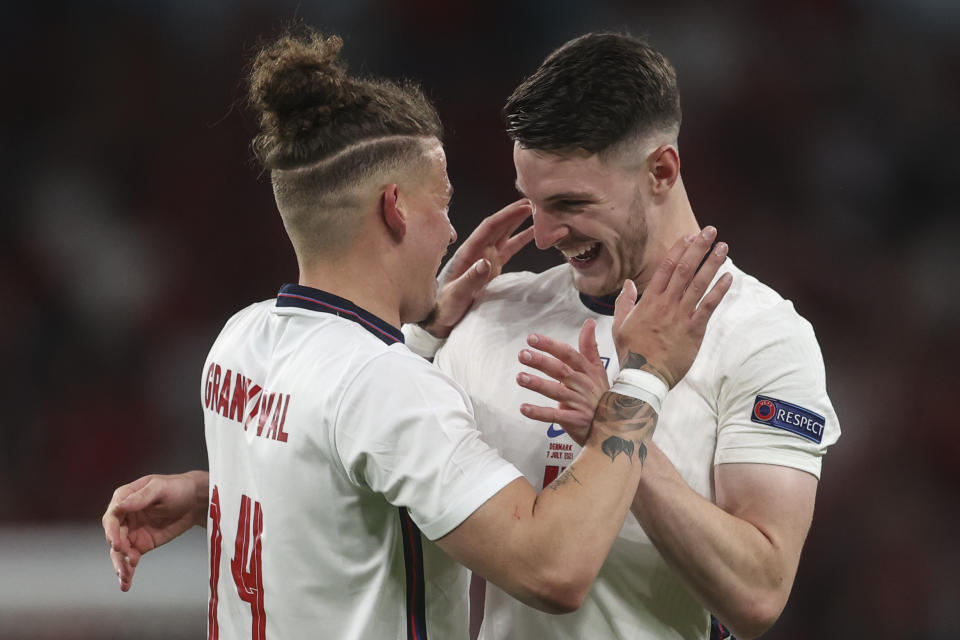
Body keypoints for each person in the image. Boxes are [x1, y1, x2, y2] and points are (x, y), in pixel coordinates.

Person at [101, 28, 733, 639]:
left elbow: (328, 479)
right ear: (395, 207)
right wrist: (644, 378)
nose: (452, 230)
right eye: (444, 200)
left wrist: (220, 494)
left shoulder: (239, 340)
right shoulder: (390, 388)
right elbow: (554, 569)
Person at [399, 32, 840, 640]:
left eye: (570, 203)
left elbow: (757, 594)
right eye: (532, 203)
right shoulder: (489, 312)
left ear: (661, 170)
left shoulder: (763, 338)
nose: (547, 235)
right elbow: (370, 487)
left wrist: (616, 425)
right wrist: (421, 337)